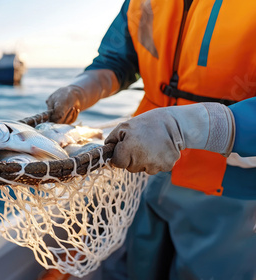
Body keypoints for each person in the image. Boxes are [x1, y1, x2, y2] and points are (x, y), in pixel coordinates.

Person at [46, 0, 256, 279]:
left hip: (229, 186)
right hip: (144, 171)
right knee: (138, 264)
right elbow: (118, 60)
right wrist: (83, 87)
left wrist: (191, 127)